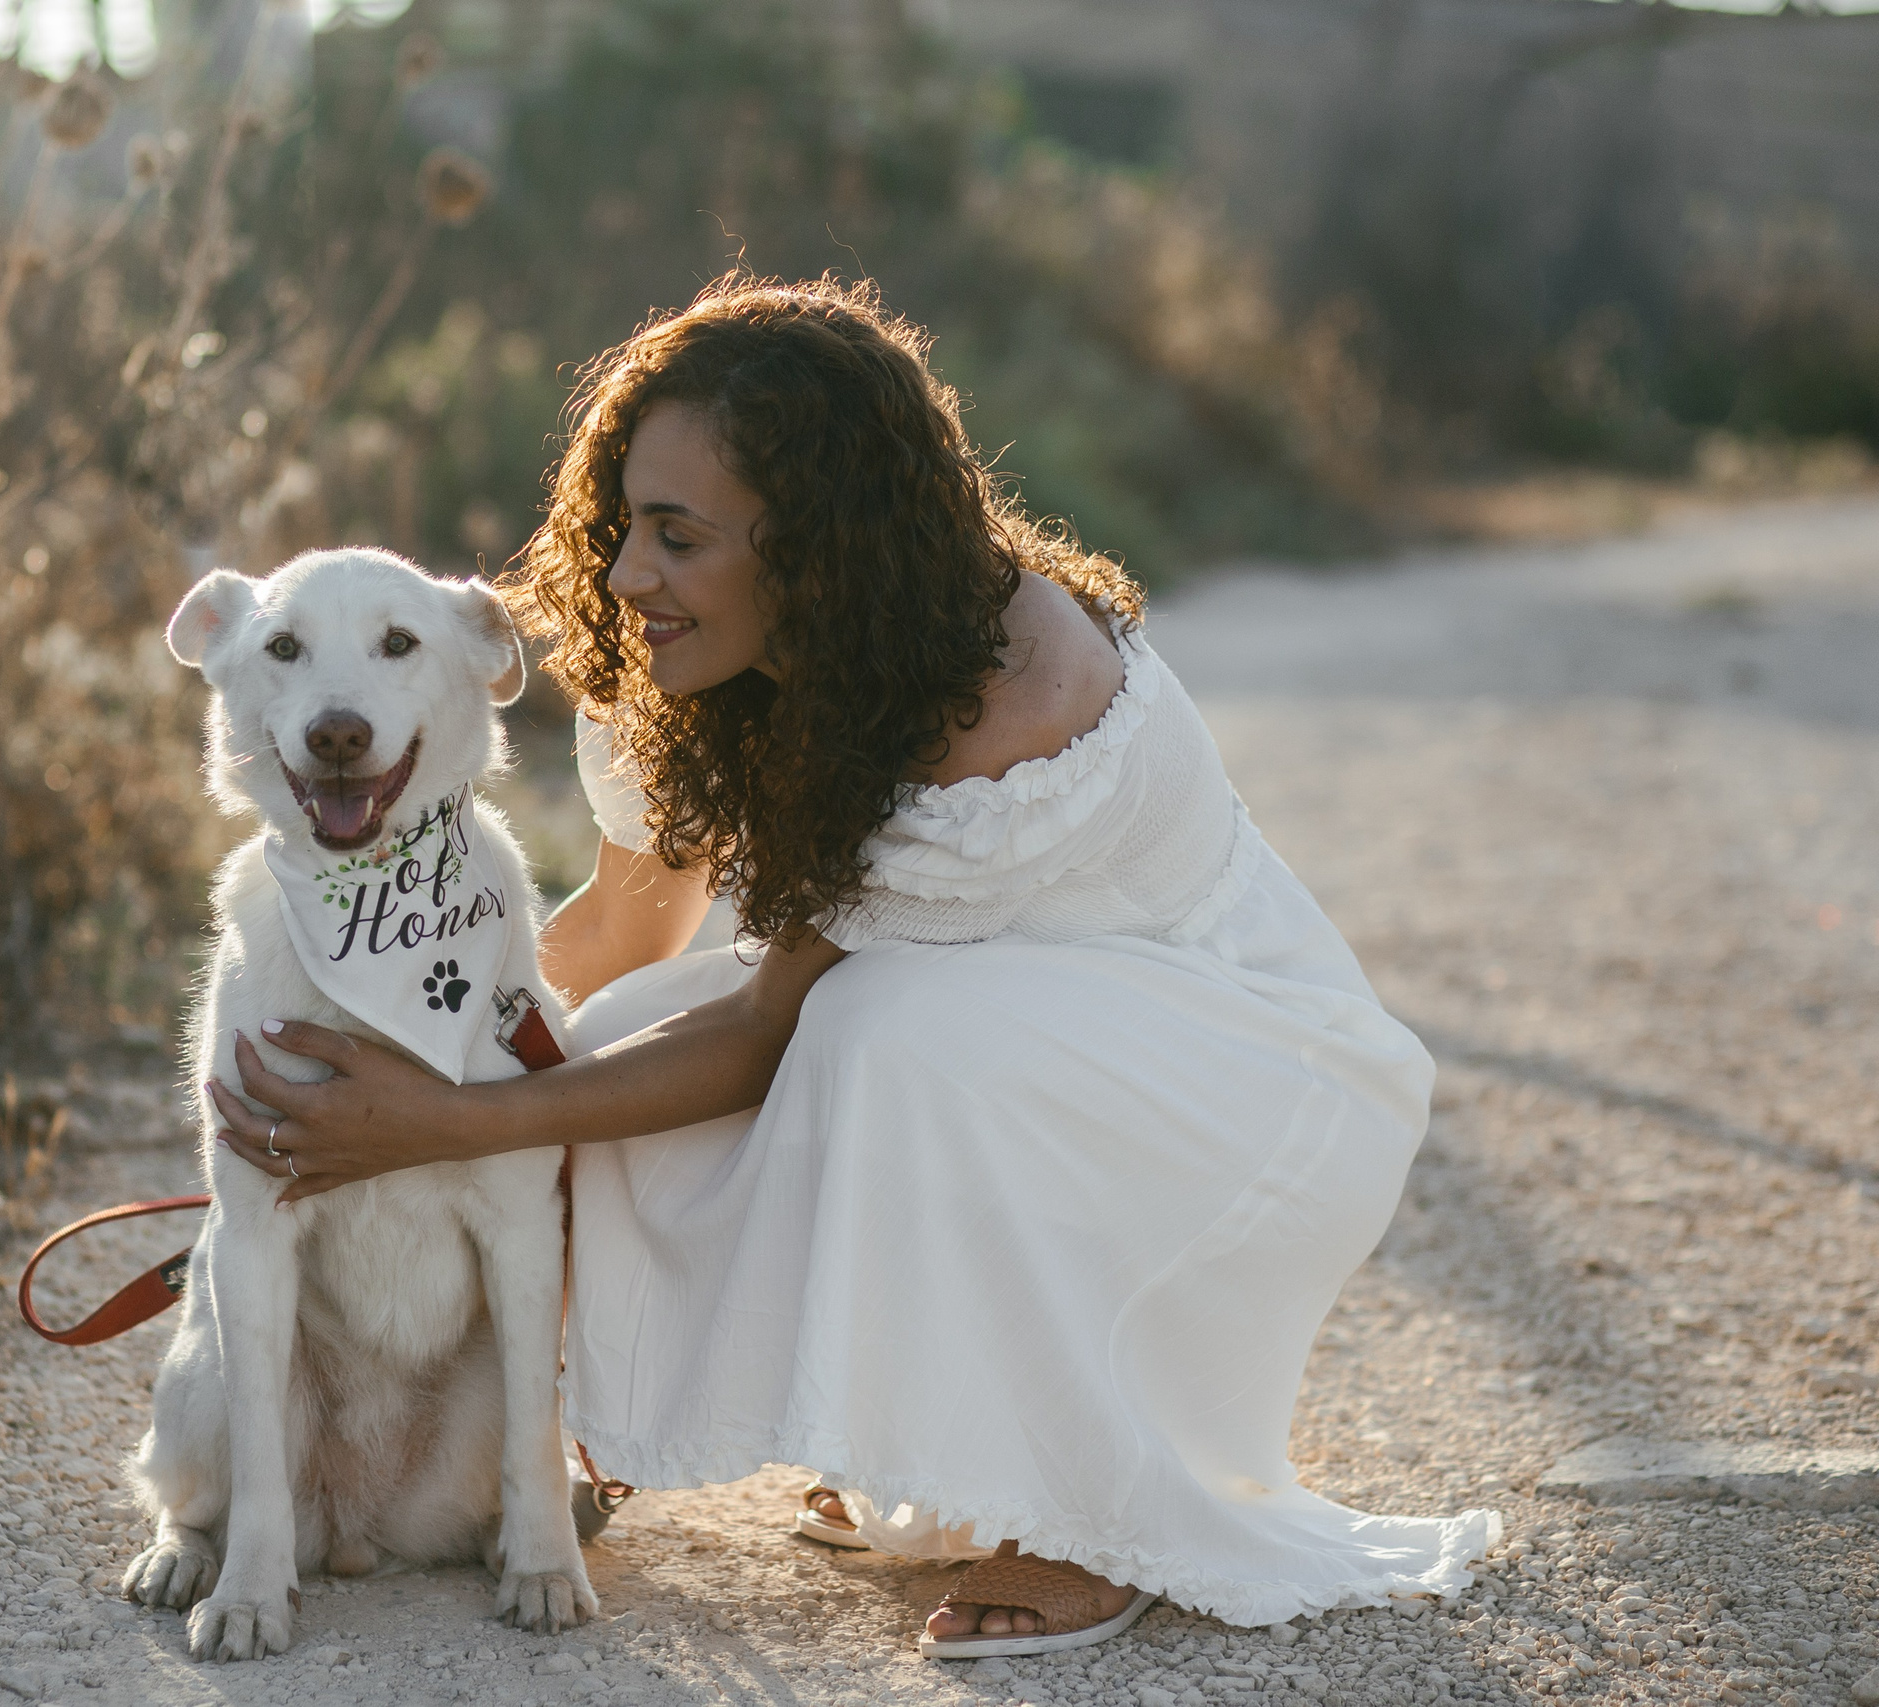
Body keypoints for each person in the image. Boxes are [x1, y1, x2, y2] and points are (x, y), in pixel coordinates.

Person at [211, 275, 1498, 1657]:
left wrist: (443, 1127)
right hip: (981, 1043)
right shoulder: (728, 661)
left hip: (1227, 1087)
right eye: (628, 523)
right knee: (621, 1032)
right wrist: (374, 1064)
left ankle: (1077, 1511)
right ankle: (912, 1438)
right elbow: (624, 934)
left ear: (815, 548)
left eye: (678, 536)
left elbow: (776, 1027)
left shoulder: (1007, 694)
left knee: (887, 1030)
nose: (630, 573)